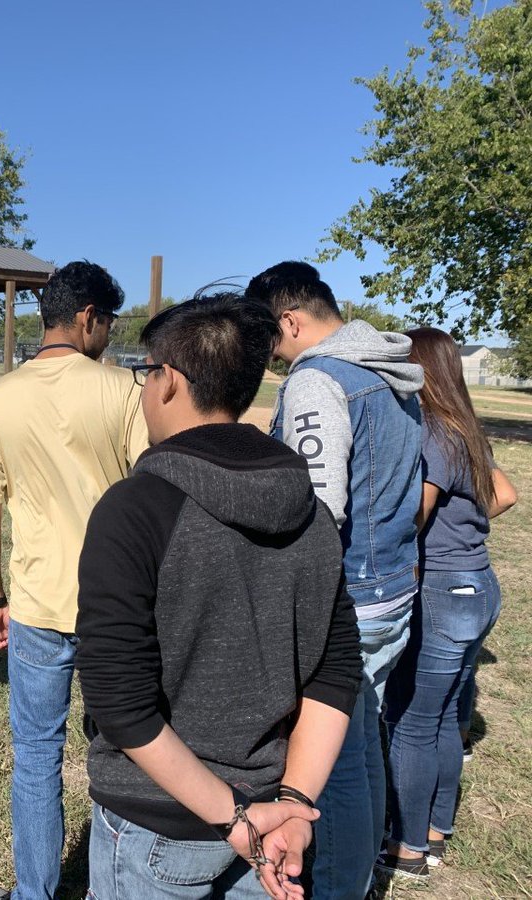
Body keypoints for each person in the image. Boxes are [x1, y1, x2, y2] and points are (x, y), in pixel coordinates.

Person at [76, 293, 361, 900]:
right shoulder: (311, 511)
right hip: (275, 824)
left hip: (158, 825)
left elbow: (120, 703)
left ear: (169, 381)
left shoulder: (133, 509)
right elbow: (335, 673)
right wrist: (292, 804)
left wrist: (236, 820)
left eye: (146, 372)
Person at [0, 260, 149, 900]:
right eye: (108, 322)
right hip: (118, 607)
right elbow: (148, 489)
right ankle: (112, 887)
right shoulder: (122, 390)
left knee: (37, 758)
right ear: (86, 318)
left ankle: (33, 892)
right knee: (123, 753)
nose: (107, 334)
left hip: (37, 603)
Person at [246, 261, 424, 898]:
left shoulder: (318, 381)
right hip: (393, 585)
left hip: (347, 596)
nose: (265, 356)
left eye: (266, 339)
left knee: (334, 764)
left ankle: (342, 884)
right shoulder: (390, 372)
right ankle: (366, 866)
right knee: (365, 739)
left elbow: (316, 510)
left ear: (289, 321)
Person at [376, 327, 518, 881]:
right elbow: (505, 494)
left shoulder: (432, 432)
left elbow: (415, 519)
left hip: (443, 592)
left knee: (411, 721)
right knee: (440, 721)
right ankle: (434, 829)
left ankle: (408, 848)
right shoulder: (465, 428)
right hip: (478, 585)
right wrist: (464, 536)